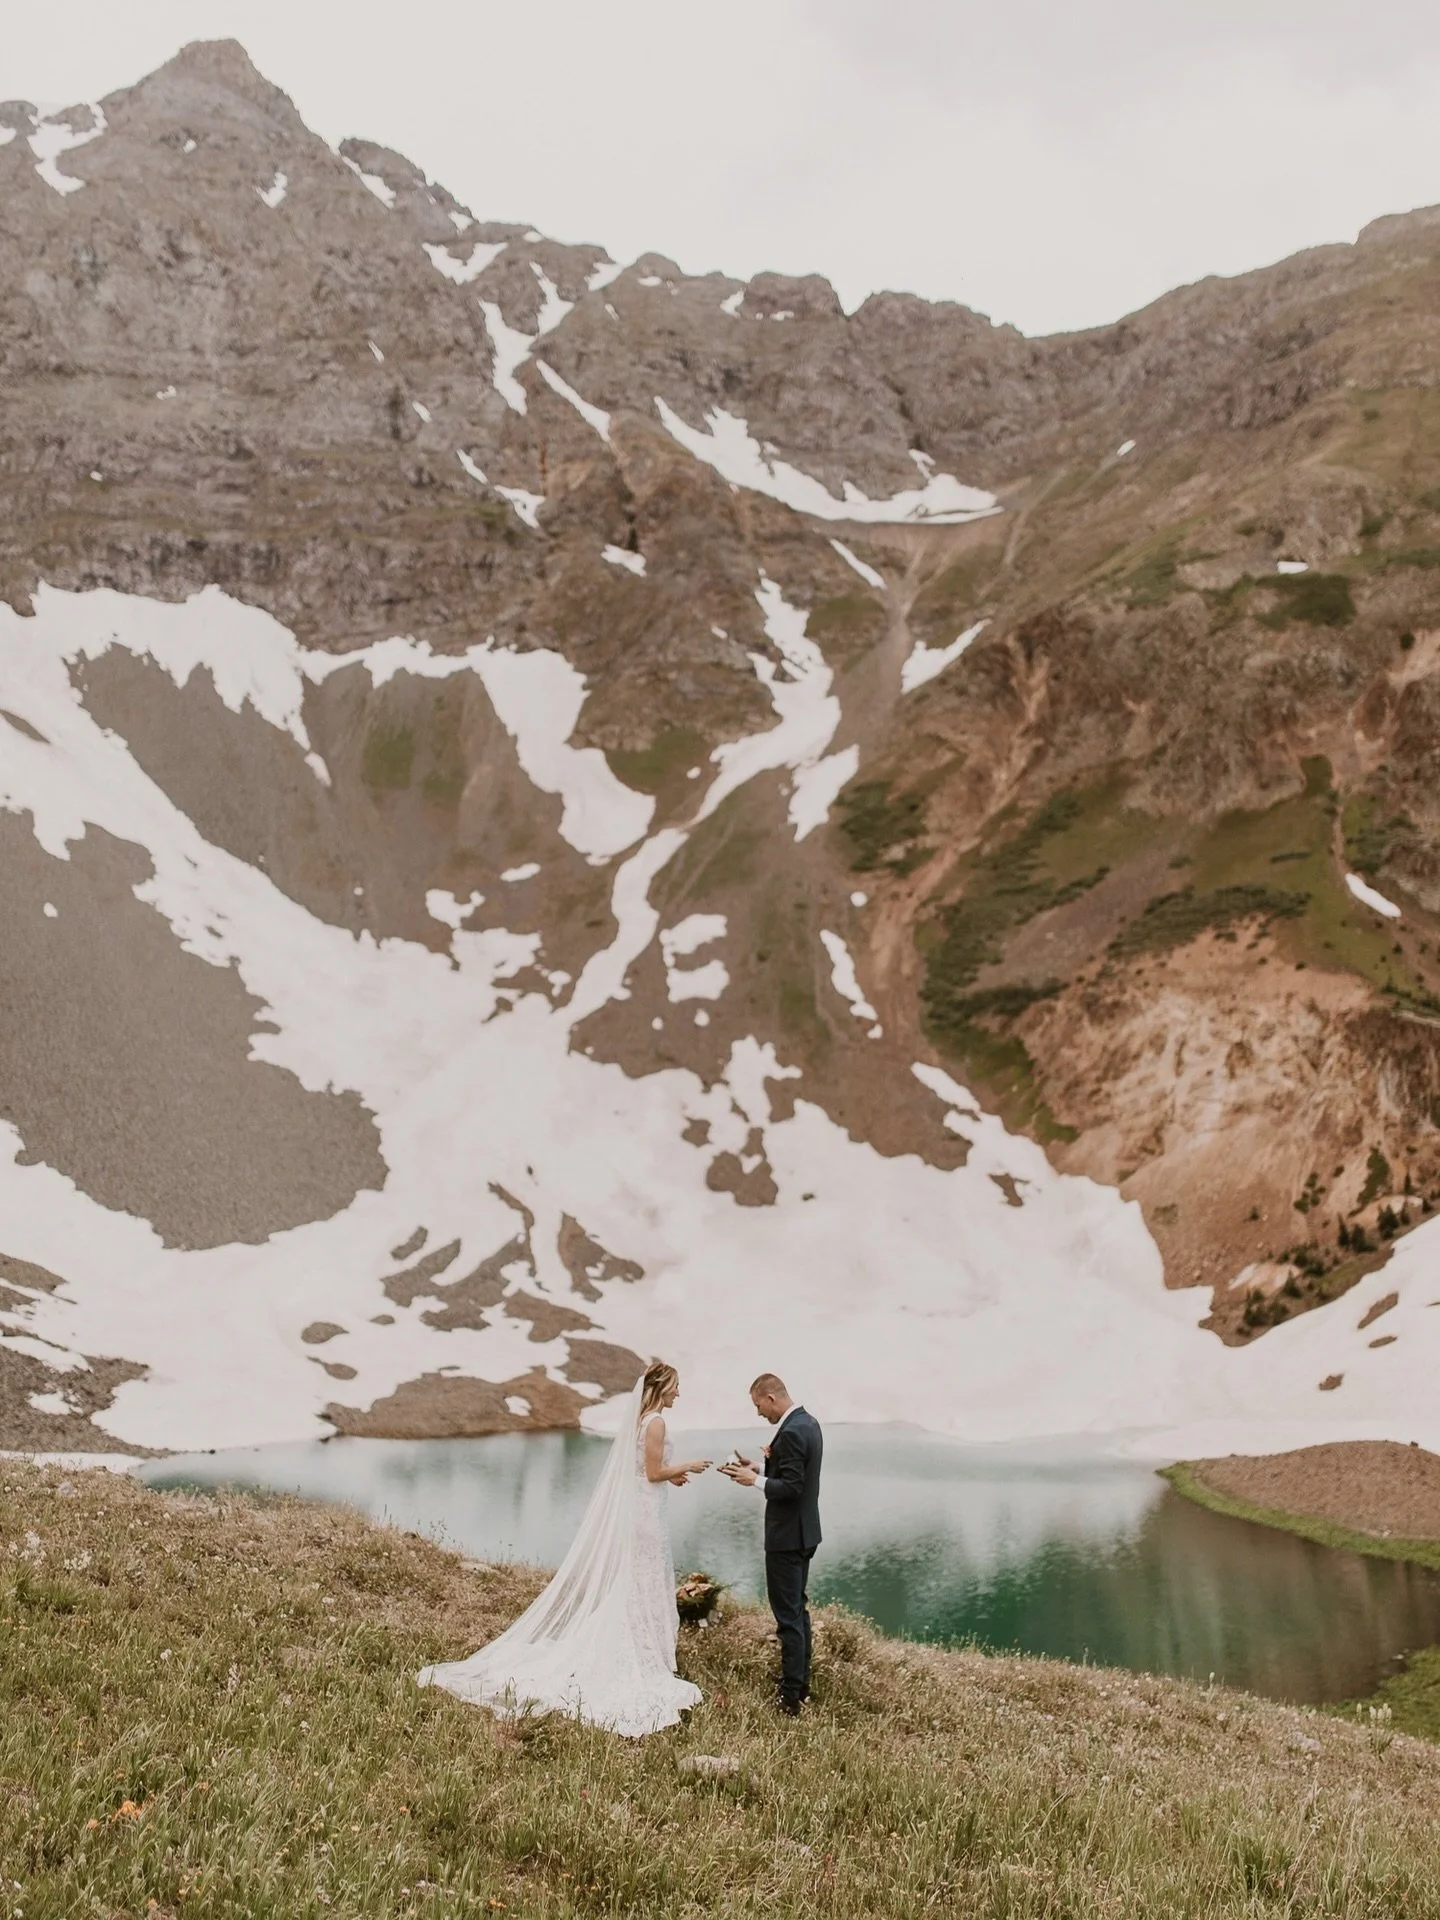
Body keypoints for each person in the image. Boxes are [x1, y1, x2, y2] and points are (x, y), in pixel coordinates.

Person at [418, 1361, 711, 1736]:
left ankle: (642, 1647)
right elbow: (653, 1472)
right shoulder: (655, 1423)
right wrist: (688, 1465)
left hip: (643, 1505)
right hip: (646, 1513)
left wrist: (674, 1475)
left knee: (640, 1578)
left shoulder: (642, 1421)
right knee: (644, 1575)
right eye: (675, 1386)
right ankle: (640, 1653)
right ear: (661, 1387)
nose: (678, 1393)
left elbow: (644, 1471)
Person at [720, 1372, 822, 1716]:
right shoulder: (808, 1422)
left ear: (771, 1398)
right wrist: (761, 1466)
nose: (758, 1412)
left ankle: (790, 1698)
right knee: (798, 1610)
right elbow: (795, 1471)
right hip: (805, 1533)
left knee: (787, 1617)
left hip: (786, 1538)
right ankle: (801, 1684)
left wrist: (754, 1481)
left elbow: (792, 1487)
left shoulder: (791, 1431)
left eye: (758, 1405)